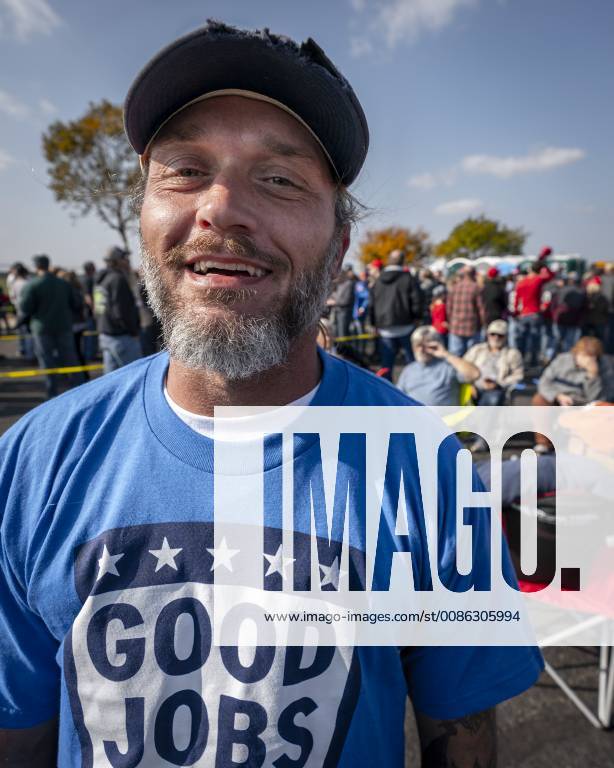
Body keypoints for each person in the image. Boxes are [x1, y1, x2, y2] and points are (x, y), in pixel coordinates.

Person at [0, 21, 542, 767]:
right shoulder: (32, 460)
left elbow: (461, 732)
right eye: (186, 170)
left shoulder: (427, 464)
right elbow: (19, 725)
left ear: (338, 243)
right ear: (142, 216)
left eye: (281, 179)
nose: (221, 209)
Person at [531, 336, 614, 453]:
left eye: (591, 357)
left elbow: (598, 398)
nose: (587, 360)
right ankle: (543, 444)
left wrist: (592, 375)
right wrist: (557, 395)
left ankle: (593, 448)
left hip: (585, 402)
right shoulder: (562, 360)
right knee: (539, 399)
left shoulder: (604, 366)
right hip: (559, 397)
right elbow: (544, 382)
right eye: (583, 356)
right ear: (576, 353)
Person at [17, 254, 81, 399]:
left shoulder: (32, 285)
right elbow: (76, 303)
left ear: (36, 266)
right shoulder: (63, 283)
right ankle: (79, 391)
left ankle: (52, 394)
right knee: (71, 360)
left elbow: (25, 308)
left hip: (42, 329)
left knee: (47, 362)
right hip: (64, 326)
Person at [370, 249, 422, 379]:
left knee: (386, 365)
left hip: (384, 328)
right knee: (412, 363)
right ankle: (414, 388)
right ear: (403, 261)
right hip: (406, 325)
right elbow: (417, 300)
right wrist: (417, 317)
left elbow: (372, 303)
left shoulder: (378, 280)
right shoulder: (408, 278)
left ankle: (386, 393)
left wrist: (373, 323)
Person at [396, 325, 479, 405]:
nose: (421, 350)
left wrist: (445, 354)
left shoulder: (448, 367)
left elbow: (474, 374)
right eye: (417, 345)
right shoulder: (408, 370)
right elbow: (397, 397)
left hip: (444, 418)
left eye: (425, 345)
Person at [94, 246, 142, 373]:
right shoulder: (117, 279)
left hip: (105, 334)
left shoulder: (101, 279)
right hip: (121, 337)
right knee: (135, 376)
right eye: (124, 258)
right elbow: (121, 312)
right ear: (116, 261)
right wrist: (133, 331)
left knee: (112, 381)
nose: (127, 261)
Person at [464, 320, 524, 406]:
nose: (496, 338)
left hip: (497, 389)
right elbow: (464, 367)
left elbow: (518, 375)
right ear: (487, 335)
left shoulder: (513, 353)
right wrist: (470, 385)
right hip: (475, 386)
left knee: (493, 400)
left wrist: (498, 384)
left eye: (500, 335)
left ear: (506, 337)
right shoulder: (477, 349)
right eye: (493, 334)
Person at [513, 249, 554, 367]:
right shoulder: (537, 280)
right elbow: (551, 276)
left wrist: (517, 312)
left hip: (523, 314)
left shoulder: (521, 282)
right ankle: (533, 363)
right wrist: (544, 264)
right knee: (534, 339)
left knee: (522, 339)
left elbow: (517, 299)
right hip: (535, 313)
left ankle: (520, 362)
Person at [446, 265, 482, 356]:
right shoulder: (476, 288)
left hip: (456, 326)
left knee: (456, 355)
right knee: (472, 355)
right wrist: (482, 323)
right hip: (472, 326)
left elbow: (448, 308)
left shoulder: (454, 287)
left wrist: (450, 321)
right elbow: (481, 309)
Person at [549, 272, 586, 354]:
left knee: (556, 340)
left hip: (560, 319)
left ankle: (551, 358)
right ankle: (565, 360)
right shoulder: (582, 292)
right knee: (568, 343)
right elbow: (584, 308)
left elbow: (554, 305)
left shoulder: (561, 290)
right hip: (573, 320)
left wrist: (554, 316)